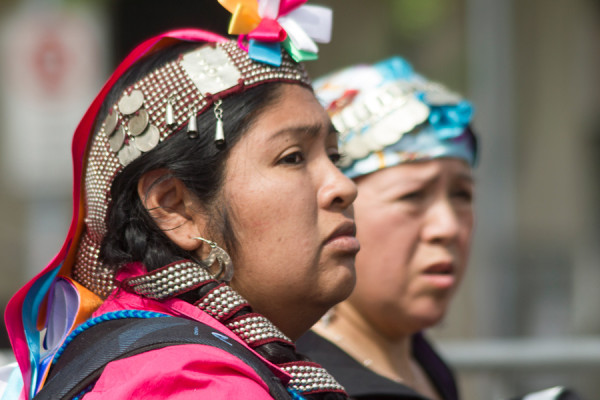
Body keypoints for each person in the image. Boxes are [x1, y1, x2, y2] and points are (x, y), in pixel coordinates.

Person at [4, 4, 360, 398]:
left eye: (335, 156)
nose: (343, 186)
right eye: (292, 157)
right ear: (174, 207)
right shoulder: (192, 383)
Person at [296, 57, 477, 400]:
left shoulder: (422, 361)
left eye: (462, 194)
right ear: (334, 203)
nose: (448, 227)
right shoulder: (309, 382)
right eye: (412, 195)